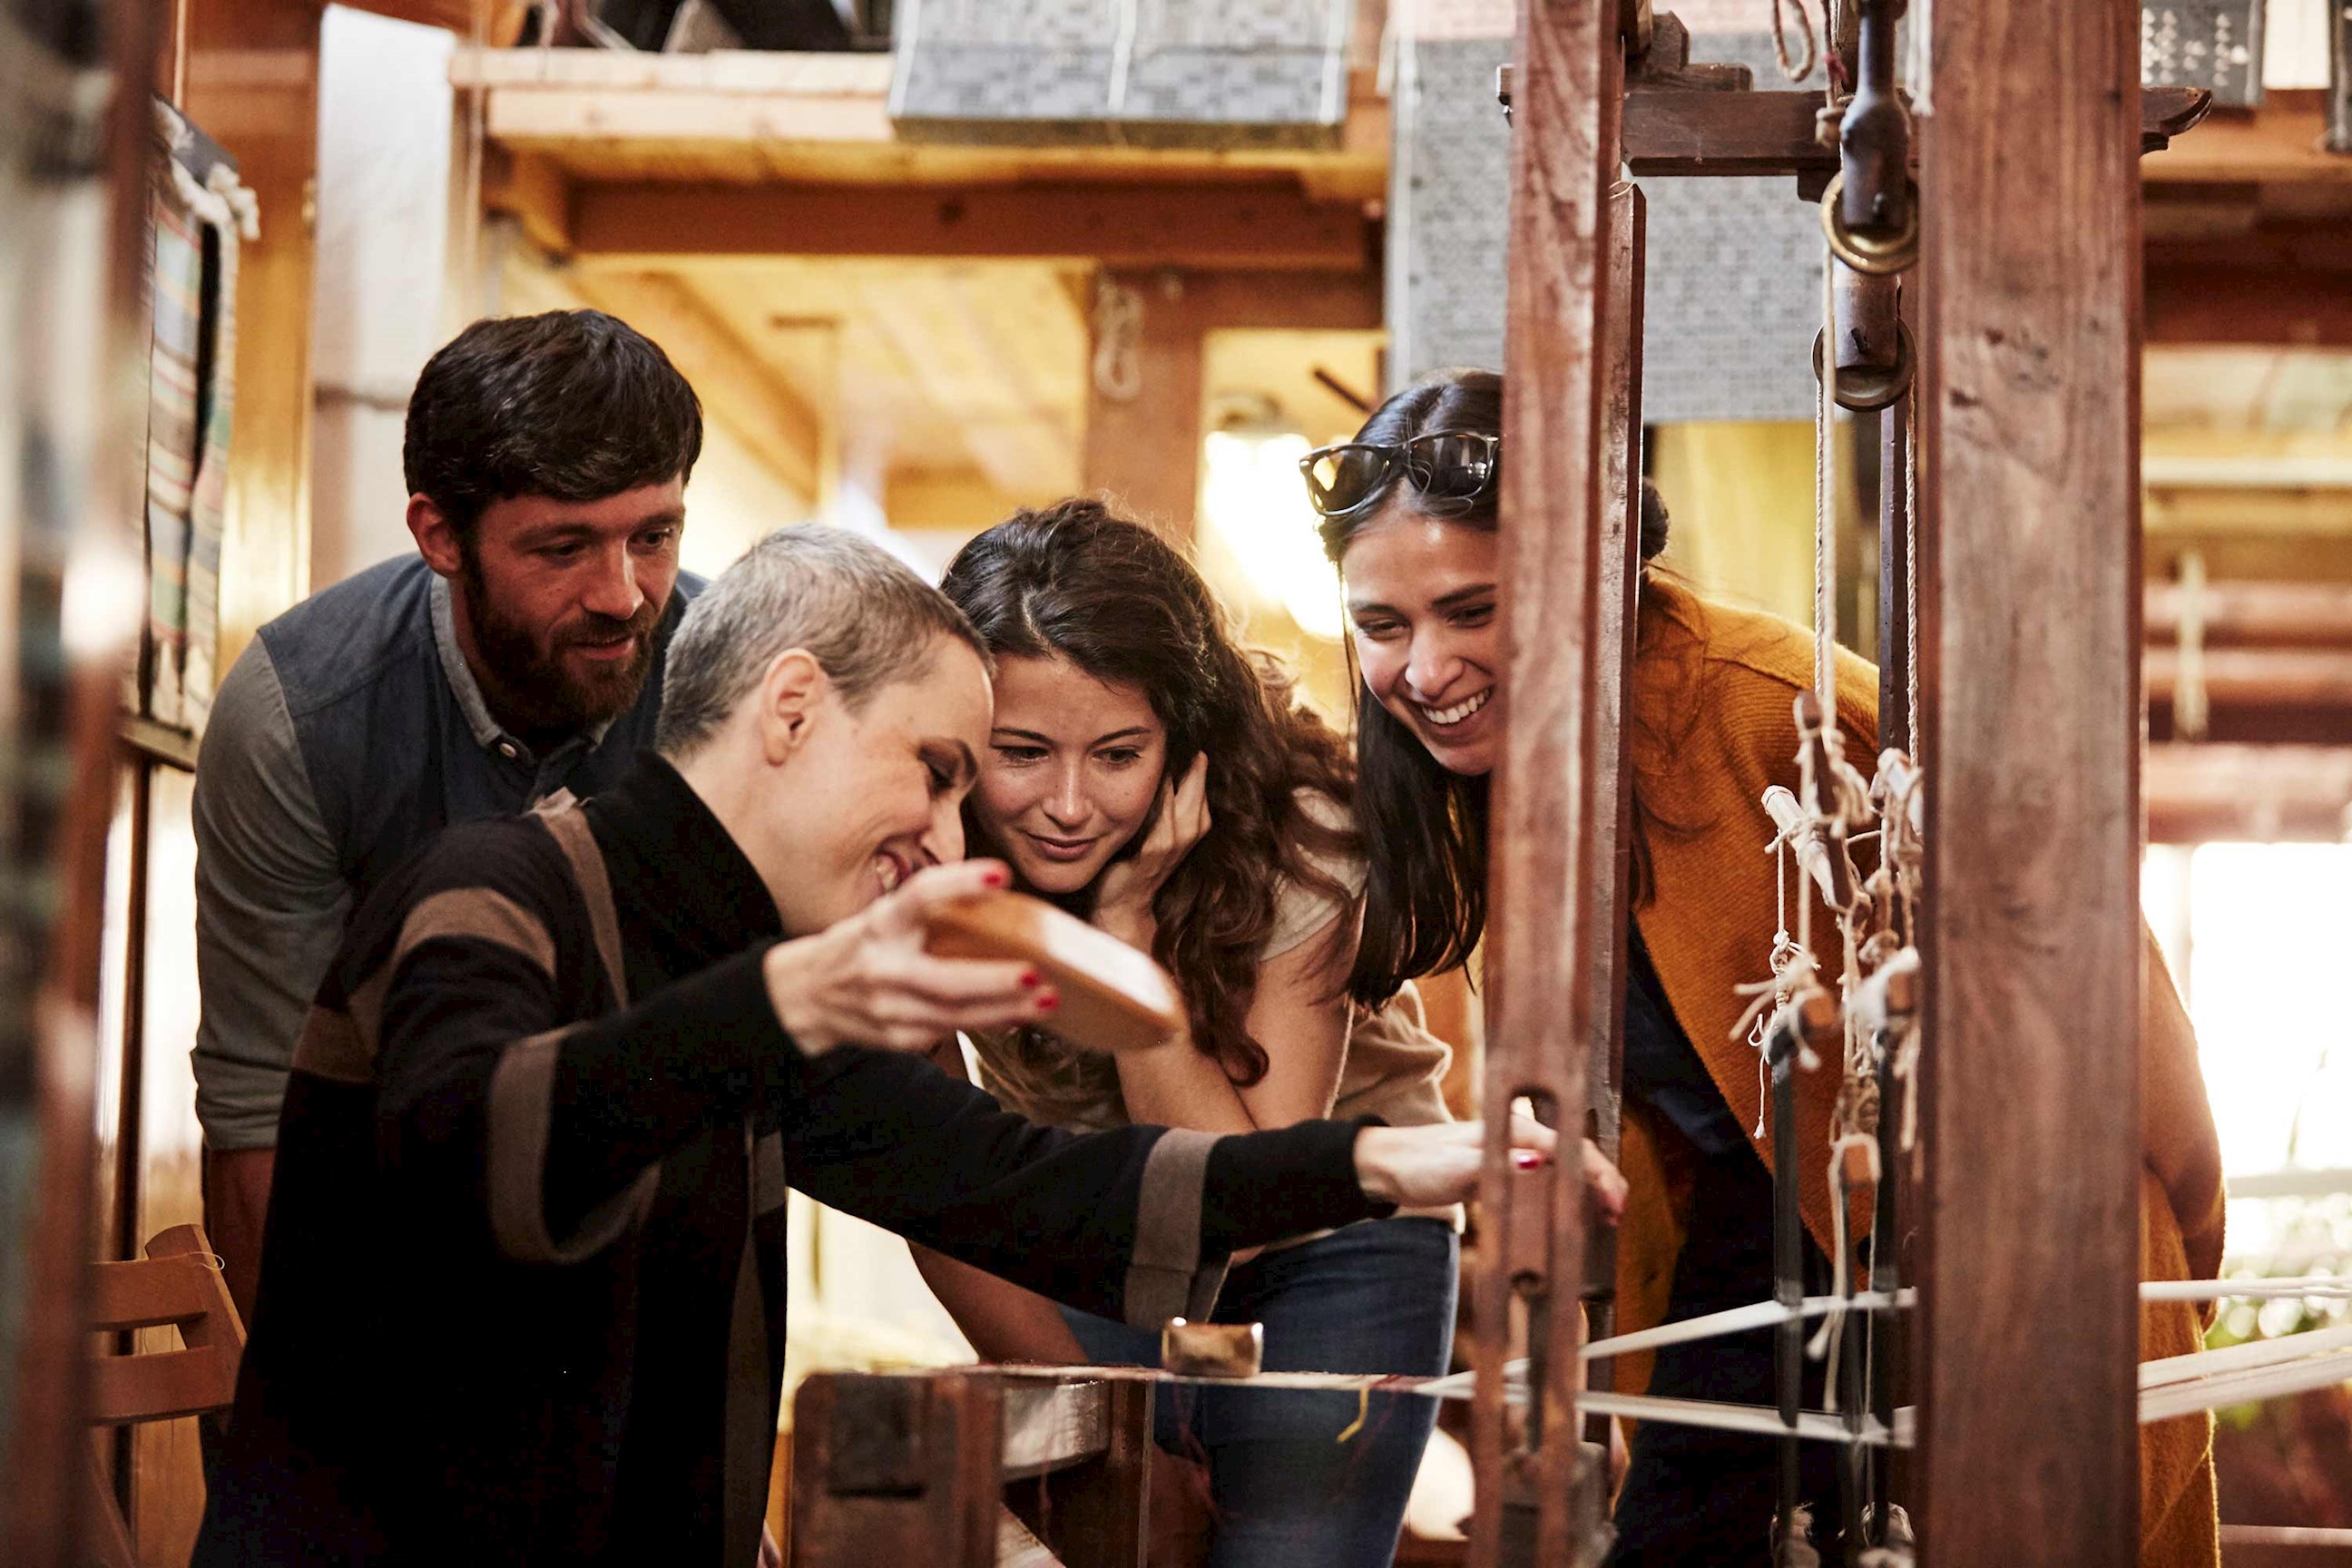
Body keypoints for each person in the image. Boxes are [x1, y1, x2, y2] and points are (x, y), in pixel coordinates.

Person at [194, 526, 1552, 1567]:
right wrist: (787, 1003)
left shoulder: (769, 983)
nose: (959, 840)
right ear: (791, 710)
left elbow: (1029, 1189)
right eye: (944, 768)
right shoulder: (489, 887)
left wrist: (1388, 1165)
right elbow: (480, 1151)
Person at [1306, 368, 2228, 1568]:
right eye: (1383, 625)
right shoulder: (1506, 787)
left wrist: (2174, 1281)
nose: (1424, 670)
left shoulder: (1779, 714)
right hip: (1751, 1285)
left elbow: (2115, 1003)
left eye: (1471, 611)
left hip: (2000, 1277)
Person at [921, 501, 1566, 1568]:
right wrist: (1107, 1434)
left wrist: (1130, 941)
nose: (1070, 806)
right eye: (1021, 753)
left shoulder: (1305, 825)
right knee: (1118, 1539)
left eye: (1120, 753)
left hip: (1330, 1239)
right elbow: (931, 1184)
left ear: (1186, 739)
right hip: (1088, 1224)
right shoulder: (915, 842)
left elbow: (1243, 1203)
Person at [191, 309, 705, 1318]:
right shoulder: (300, 717)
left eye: (654, 536)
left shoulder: (730, 684)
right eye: (563, 547)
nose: (623, 594)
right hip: (375, 1246)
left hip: (664, 1248)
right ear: (440, 536)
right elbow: (262, 1118)